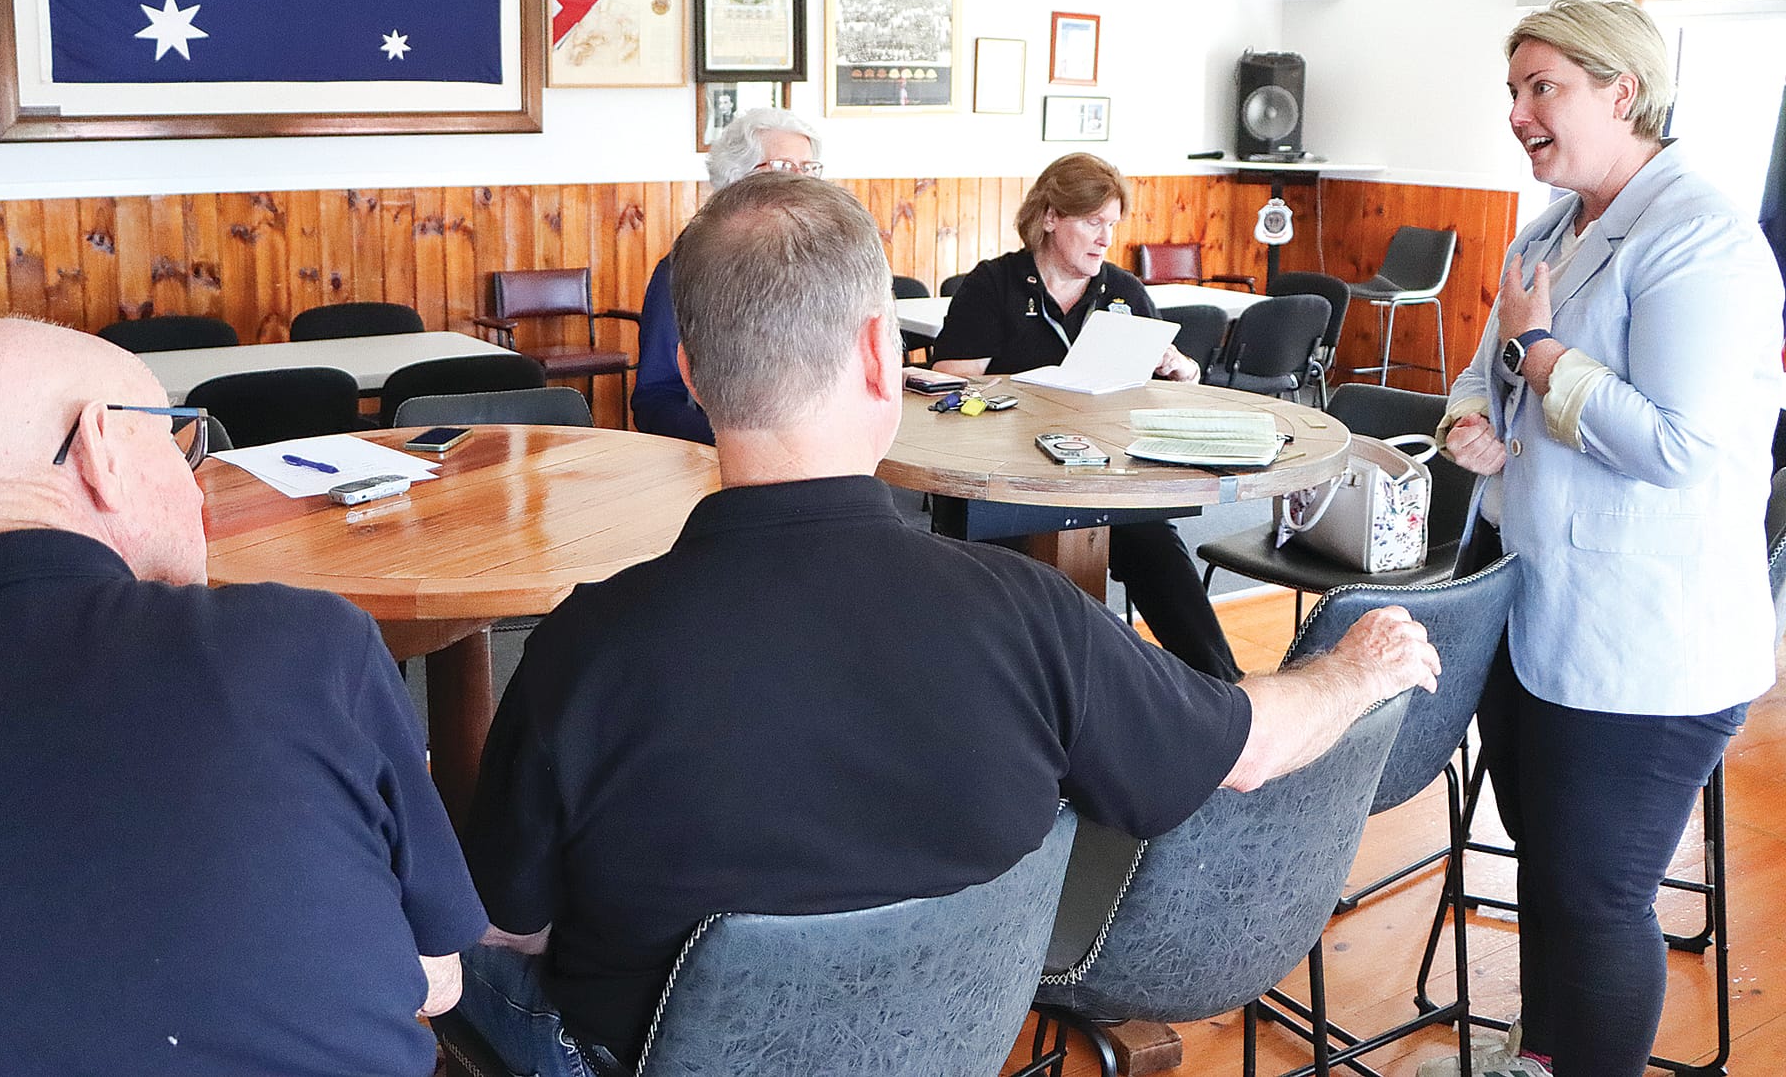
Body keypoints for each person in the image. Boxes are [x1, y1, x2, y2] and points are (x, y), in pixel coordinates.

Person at [454, 171, 1441, 1076]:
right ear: (882, 355)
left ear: (692, 373)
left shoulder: (585, 650)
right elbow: (1249, 747)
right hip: (947, 1045)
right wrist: (1359, 665)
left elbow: (516, 924)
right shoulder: (1034, 619)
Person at [0, 318, 487, 1077]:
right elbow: (437, 975)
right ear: (98, 448)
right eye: (178, 440)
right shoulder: (305, 644)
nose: (194, 483)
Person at [1426, 0, 1783, 1077]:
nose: (1519, 114)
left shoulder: (1699, 239)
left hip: (1645, 646)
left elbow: (1682, 447)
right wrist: (1466, 419)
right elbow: (1482, 366)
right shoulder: (1549, 226)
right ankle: (1541, 1062)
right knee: (1548, 875)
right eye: (1512, 92)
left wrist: (1540, 359)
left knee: (1595, 895)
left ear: (1620, 93)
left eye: (1543, 89)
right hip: (1537, 615)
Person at [931, 152, 1244, 682]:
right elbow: (951, 376)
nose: (1105, 238)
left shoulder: (1121, 291)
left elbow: (1166, 387)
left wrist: (1181, 369)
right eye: (1092, 223)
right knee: (1008, 583)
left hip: (1101, 476)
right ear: (1050, 216)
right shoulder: (996, 284)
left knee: (1156, 548)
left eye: (1112, 226)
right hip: (1008, 478)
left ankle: (1225, 691)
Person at [631, 106, 824, 442]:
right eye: (782, 167)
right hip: (724, 455)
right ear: (736, 178)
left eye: (808, 169)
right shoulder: (682, 271)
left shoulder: (830, 264)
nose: (800, 181)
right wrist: (738, 442)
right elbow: (655, 397)